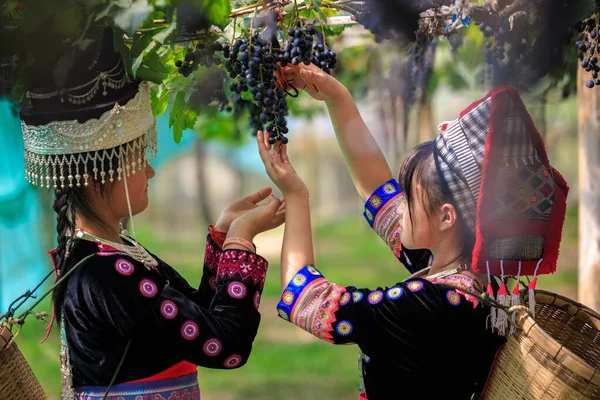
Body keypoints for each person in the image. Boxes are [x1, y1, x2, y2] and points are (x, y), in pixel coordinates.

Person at [257, 64, 568, 399]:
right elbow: (376, 189)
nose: (397, 204)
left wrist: (296, 196)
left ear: (447, 218)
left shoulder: (425, 306)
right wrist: (337, 98)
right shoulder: (471, 279)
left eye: (408, 198)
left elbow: (306, 299)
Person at [20, 29, 284, 400]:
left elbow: (199, 317)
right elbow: (226, 346)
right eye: (139, 159)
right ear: (99, 172)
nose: (150, 171)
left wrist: (224, 233)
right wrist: (242, 241)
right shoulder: (105, 274)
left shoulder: (114, 254)